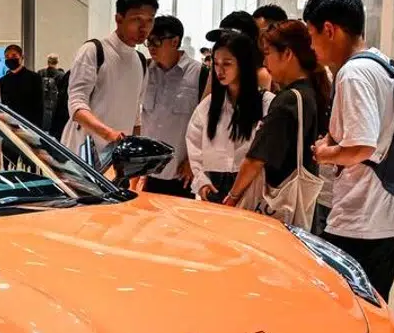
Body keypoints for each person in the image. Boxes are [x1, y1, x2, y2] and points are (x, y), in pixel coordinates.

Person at [306, 0, 394, 301]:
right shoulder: (381, 63)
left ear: (329, 30)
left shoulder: (353, 74)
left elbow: (362, 147)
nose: (312, 47)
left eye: (312, 37)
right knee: (375, 305)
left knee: (349, 309)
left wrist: (326, 153)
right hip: (389, 211)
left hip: (361, 218)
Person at [224, 20, 330, 209]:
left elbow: (256, 159)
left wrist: (233, 196)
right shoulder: (312, 91)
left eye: (267, 53)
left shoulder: (289, 99)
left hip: (277, 201)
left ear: (287, 53)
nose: (265, 62)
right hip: (302, 200)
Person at [62, 0, 158, 167]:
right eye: (137, 19)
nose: (144, 27)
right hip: (81, 156)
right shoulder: (93, 50)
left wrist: (136, 156)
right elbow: (76, 106)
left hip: (117, 161)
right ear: (118, 19)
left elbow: (135, 116)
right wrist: (108, 134)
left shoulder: (140, 61)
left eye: (149, 20)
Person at [185, 30, 273, 204]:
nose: (220, 70)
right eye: (216, 63)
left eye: (227, 63)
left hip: (251, 188)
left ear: (243, 65)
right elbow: (194, 145)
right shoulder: (208, 106)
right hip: (213, 187)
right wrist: (202, 182)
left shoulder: (266, 103)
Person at [139, 15, 202, 198]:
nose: (151, 47)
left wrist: (192, 161)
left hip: (182, 174)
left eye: (156, 41)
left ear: (175, 41)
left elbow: (206, 125)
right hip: (149, 173)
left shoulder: (199, 74)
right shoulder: (144, 72)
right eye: (148, 42)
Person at [206, 11, 272, 93]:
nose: (224, 46)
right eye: (221, 41)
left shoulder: (260, 74)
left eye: (230, 41)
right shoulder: (218, 70)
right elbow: (207, 101)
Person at [0, 44, 43, 125]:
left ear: (21, 57)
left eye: (14, 55)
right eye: (7, 56)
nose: (10, 58)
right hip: (9, 125)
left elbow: (39, 106)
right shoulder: (3, 81)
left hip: (30, 124)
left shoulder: (34, 78)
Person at [38, 53, 64, 130]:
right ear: (57, 62)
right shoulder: (61, 75)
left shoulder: (40, 73)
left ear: (47, 62)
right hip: (55, 107)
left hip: (42, 106)